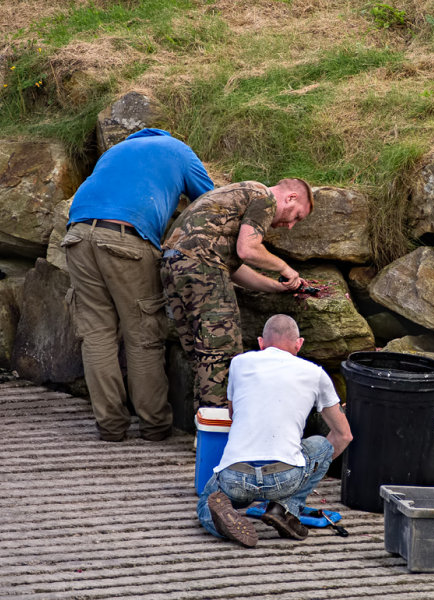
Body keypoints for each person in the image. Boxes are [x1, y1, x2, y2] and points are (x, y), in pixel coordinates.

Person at [62, 128, 214, 442]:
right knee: (143, 334)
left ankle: (111, 426)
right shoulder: (178, 149)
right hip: (126, 239)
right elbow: (213, 202)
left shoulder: (114, 152)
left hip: (77, 235)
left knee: (96, 335)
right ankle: (154, 425)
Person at [196, 314, 353, 547]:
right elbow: (344, 435)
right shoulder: (315, 373)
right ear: (299, 344)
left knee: (206, 502)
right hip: (284, 476)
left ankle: (221, 524)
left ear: (261, 343)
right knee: (320, 445)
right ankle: (285, 508)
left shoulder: (239, 363)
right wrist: (306, 474)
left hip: (235, 475)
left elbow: (233, 415)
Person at [160, 178, 313, 410]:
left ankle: (203, 431)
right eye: (297, 217)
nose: (291, 225)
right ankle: (218, 435)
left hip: (173, 266)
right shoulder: (264, 197)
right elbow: (248, 249)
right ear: (291, 198)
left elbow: (233, 267)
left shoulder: (238, 195)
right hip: (201, 267)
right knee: (222, 356)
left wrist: (276, 287)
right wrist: (284, 267)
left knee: (202, 355)